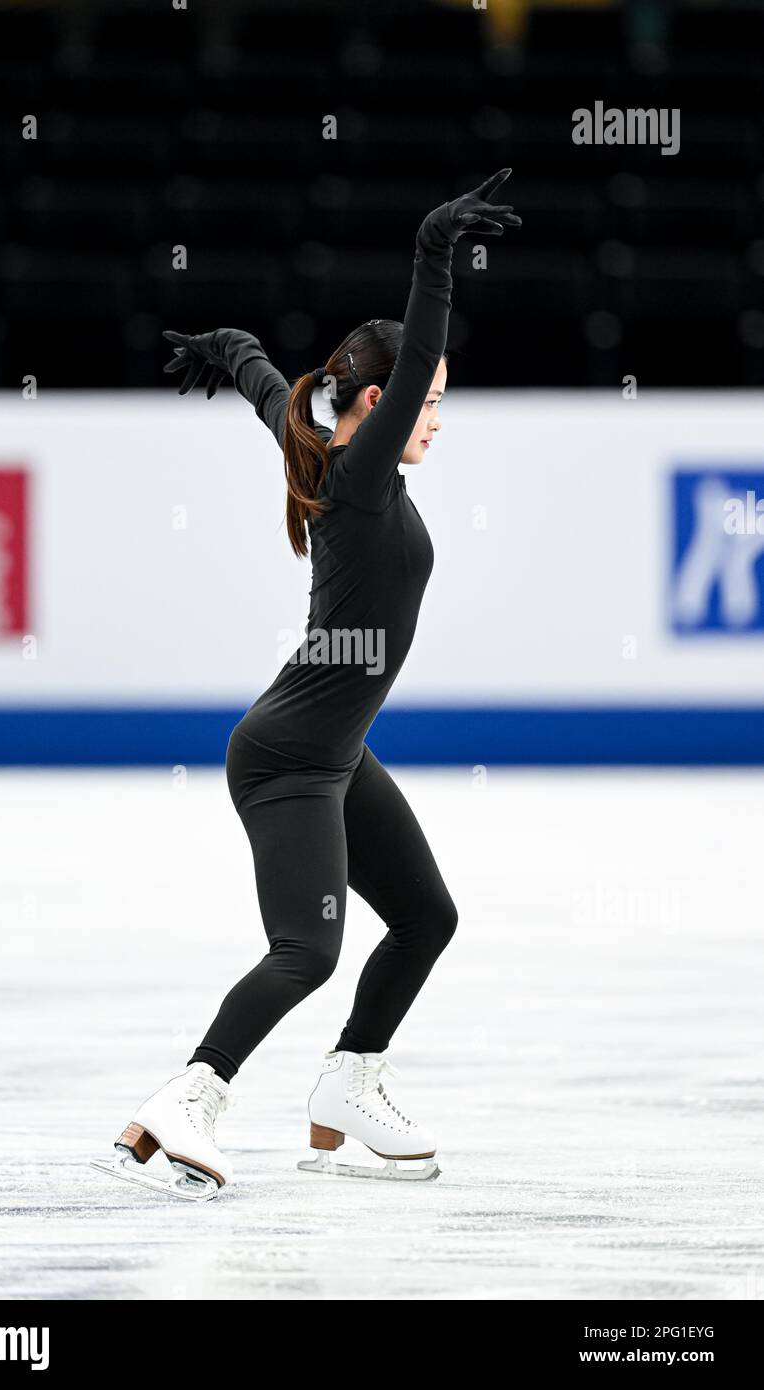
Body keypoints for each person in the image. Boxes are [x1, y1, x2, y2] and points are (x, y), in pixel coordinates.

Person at [92, 171, 520, 1200]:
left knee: (424, 915)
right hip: (289, 756)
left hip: (334, 754)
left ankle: (347, 1084)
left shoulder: (322, 446)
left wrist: (229, 343)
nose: (436, 419)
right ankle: (185, 1098)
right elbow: (410, 354)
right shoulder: (362, 474)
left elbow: (265, 384)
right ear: (379, 403)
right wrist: (429, 254)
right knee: (306, 950)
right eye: (427, 404)